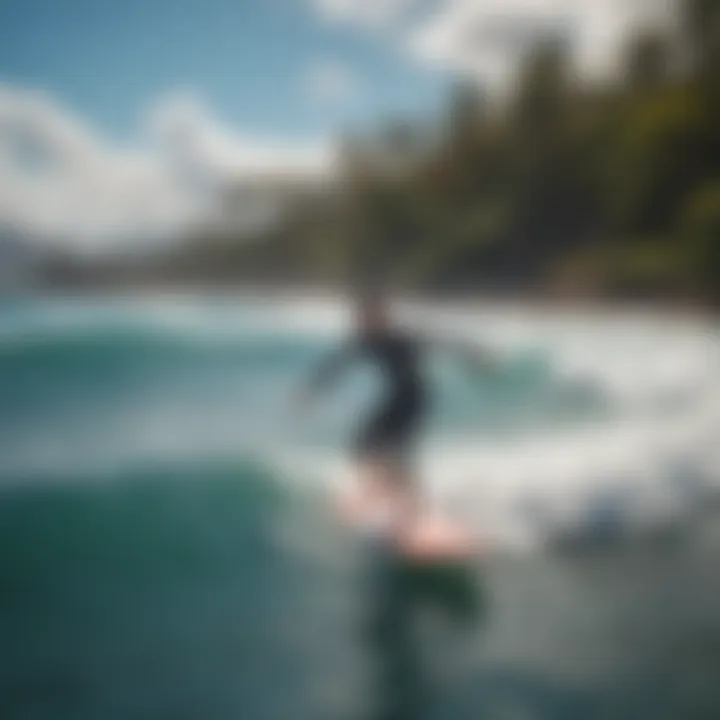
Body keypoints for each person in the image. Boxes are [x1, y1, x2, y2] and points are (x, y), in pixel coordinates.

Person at [295, 292, 495, 555]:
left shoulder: (401, 339)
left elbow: (443, 343)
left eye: (372, 318)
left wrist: (475, 355)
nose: (365, 324)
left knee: (396, 454)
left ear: (383, 318)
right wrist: (311, 391)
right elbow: (336, 365)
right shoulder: (364, 341)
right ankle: (378, 494)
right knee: (364, 445)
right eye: (362, 319)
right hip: (396, 398)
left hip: (415, 399)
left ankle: (413, 516)